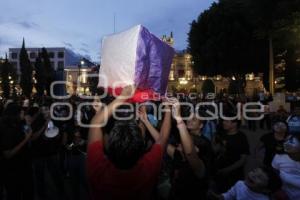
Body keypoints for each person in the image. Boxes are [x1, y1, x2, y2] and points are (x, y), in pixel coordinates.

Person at [86, 85, 172, 200]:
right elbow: (163, 138)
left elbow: (95, 124)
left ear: (109, 146)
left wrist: (121, 97)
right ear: (142, 145)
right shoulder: (148, 168)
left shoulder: (98, 171)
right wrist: (167, 108)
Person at [167, 109, 213, 200]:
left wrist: (179, 120)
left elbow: (190, 154)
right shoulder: (184, 136)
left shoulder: (204, 144)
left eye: (194, 119)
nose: (189, 120)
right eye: (189, 118)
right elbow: (164, 144)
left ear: (201, 125)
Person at [0, 102, 34, 200]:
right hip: (13, 172)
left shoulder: (19, 124)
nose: (23, 115)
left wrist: (28, 125)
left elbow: (30, 139)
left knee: (28, 193)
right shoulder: (6, 130)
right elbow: (8, 154)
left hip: (25, 167)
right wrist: (26, 139)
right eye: (21, 113)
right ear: (14, 115)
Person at [212, 115, 250, 192]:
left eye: (226, 121)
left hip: (234, 175)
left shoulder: (241, 137)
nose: (223, 123)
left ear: (234, 124)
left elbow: (243, 160)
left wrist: (227, 170)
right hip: (219, 173)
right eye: (223, 121)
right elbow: (214, 151)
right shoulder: (221, 134)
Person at [208, 167, 282, 200]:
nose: (253, 175)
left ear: (266, 190)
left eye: (260, 177)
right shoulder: (240, 184)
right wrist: (216, 196)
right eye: (254, 171)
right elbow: (228, 196)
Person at [272, 134, 300, 199]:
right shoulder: (279, 157)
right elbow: (274, 175)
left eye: (294, 153)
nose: (290, 155)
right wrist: (277, 190)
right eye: (286, 141)